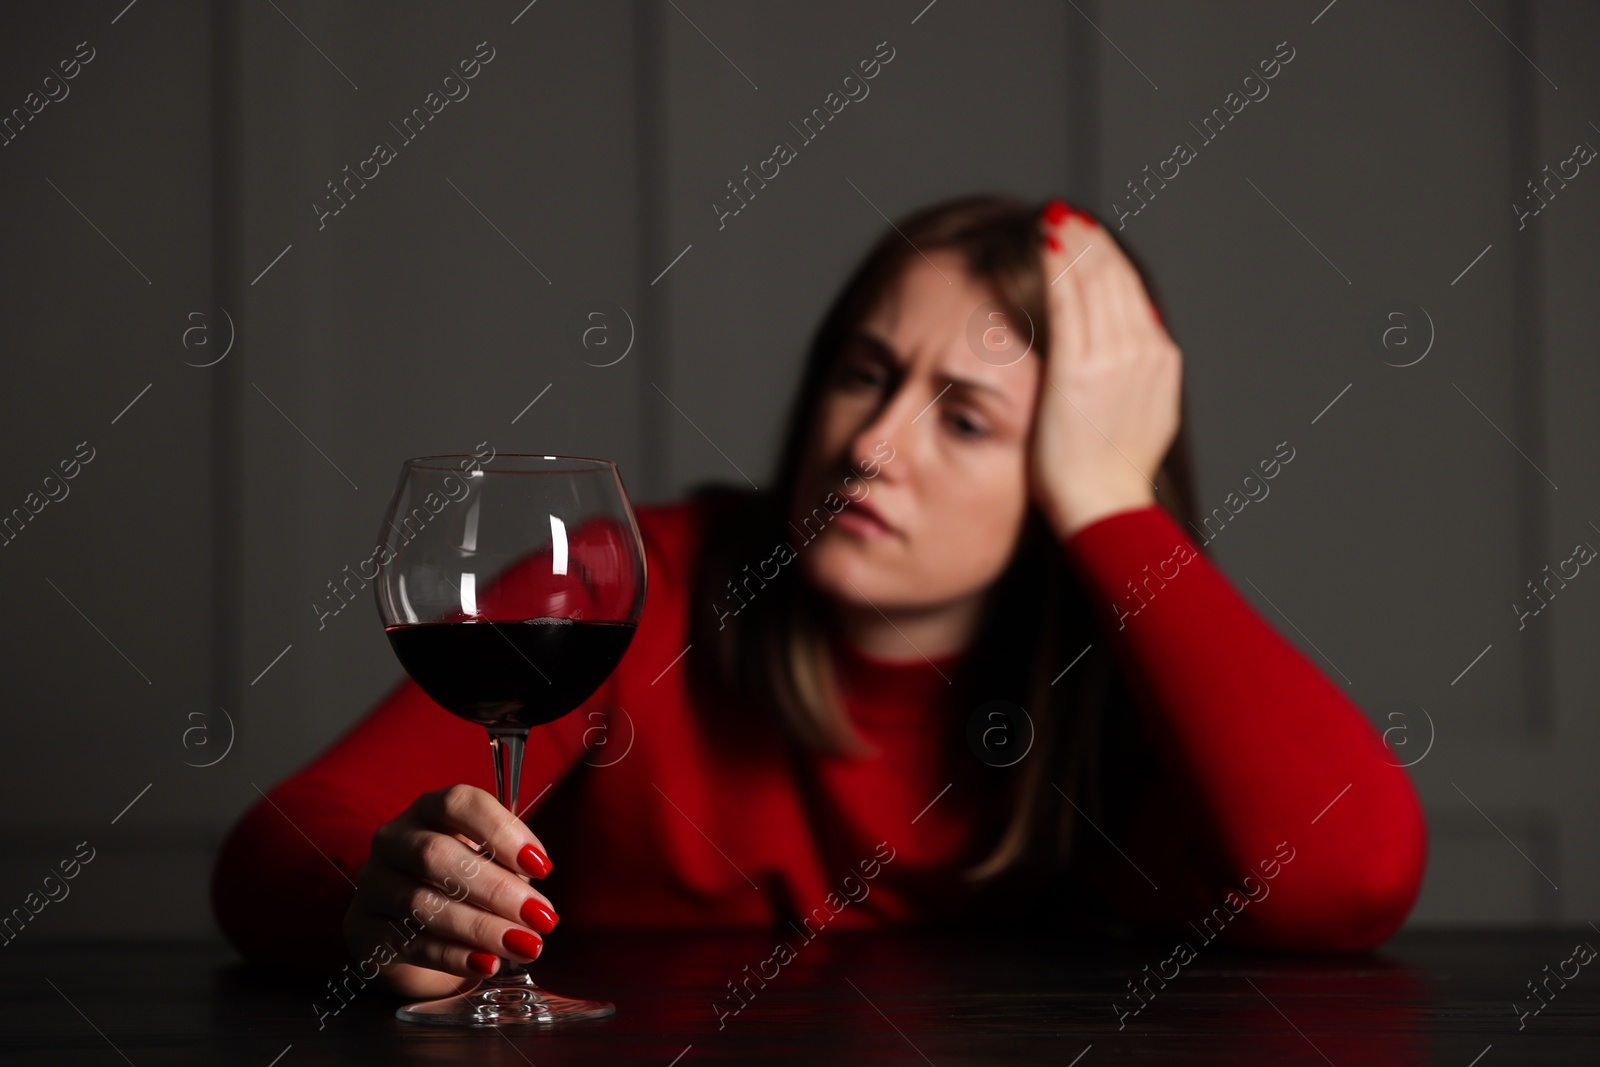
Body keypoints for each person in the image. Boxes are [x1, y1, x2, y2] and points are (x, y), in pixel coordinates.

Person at [212, 196, 1427, 999]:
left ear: (1065, 476)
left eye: (965, 417)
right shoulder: (639, 578)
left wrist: (1115, 506)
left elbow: (1350, 879)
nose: (874, 445)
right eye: (863, 372)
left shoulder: (1106, 689)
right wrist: (383, 905)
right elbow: (281, 844)